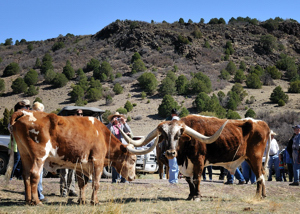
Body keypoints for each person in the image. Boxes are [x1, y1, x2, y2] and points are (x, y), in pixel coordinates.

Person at [59, 109, 81, 197]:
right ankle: (63, 191)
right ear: (74, 115)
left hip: (74, 152)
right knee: (64, 172)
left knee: (72, 172)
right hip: (65, 151)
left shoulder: (80, 127)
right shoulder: (66, 124)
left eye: (81, 114)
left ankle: (71, 190)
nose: (81, 116)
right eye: (79, 114)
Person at [8, 99, 31, 180]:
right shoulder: (14, 119)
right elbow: (10, 129)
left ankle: (19, 176)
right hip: (15, 143)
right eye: (23, 109)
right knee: (15, 160)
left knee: (21, 160)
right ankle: (9, 176)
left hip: (21, 143)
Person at [107, 112, 132, 183]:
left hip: (122, 146)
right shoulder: (111, 126)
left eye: (118, 117)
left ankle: (124, 179)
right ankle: (114, 179)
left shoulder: (122, 125)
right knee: (114, 163)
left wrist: (124, 122)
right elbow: (105, 130)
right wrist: (111, 122)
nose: (116, 118)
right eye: (115, 117)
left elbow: (129, 131)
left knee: (124, 163)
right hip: (114, 147)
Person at [32, 101, 48, 202]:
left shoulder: (29, 120)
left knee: (30, 172)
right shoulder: (39, 122)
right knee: (38, 172)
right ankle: (38, 195)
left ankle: (30, 195)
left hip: (30, 150)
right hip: (37, 150)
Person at [166, 109, 180, 184]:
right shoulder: (180, 123)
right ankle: (174, 180)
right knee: (175, 165)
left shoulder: (169, 123)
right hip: (177, 146)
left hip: (171, 146)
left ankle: (173, 180)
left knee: (173, 164)